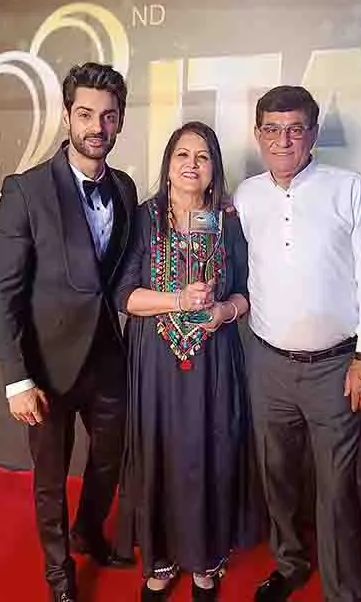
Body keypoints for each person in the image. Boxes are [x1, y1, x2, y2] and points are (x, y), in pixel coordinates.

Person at [232, 85, 361, 602]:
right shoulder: (246, 195)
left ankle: (344, 592)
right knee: (276, 478)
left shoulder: (349, 188)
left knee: (337, 490)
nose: (283, 140)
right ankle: (290, 563)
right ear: (258, 135)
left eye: (295, 128)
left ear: (314, 135)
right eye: (272, 129)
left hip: (336, 367)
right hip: (268, 364)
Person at [0, 62, 137, 602]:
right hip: (46, 368)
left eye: (109, 116)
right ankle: (59, 576)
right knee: (50, 480)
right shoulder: (25, 190)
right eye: (87, 114)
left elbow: (126, 266)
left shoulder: (123, 187)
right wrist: (16, 379)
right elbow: (2, 292)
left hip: (106, 361)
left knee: (110, 459)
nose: (97, 127)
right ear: (68, 117)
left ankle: (88, 531)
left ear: (119, 122)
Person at [113, 121, 263, 601]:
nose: (192, 164)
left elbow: (247, 293)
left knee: (208, 451)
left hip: (214, 358)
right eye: (183, 154)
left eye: (202, 156)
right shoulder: (144, 218)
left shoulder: (227, 221)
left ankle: (204, 560)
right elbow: (125, 297)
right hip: (155, 361)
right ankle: (160, 559)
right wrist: (177, 299)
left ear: (214, 167)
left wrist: (223, 310)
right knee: (160, 451)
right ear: (168, 164)